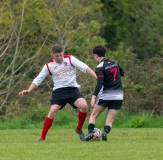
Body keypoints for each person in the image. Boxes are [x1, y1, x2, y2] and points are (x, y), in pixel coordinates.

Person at [19, 44, 97, 141]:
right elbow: (38, 79)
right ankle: (42, 138)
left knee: (84, 106)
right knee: (52, 112)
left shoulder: (70, 59)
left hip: (73, 89)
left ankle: (79, 129)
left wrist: (96, 77)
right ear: (52, 55)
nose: (60, 58)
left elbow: (84, 67)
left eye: (61, 55)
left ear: (63, 53)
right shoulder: (49, 66)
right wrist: (29, 90)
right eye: (57, 56)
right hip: (59, 92)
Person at [84, 45, 124, 141]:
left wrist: (94, 96)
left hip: (106, 96)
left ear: (96, 56)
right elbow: (122, 73)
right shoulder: (115, 62)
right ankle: (105, 133)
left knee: (93, 115)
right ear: (105, 54)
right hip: (118, 96)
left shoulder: (99, 67)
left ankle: (90, 133)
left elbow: (100, 82)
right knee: (109, 120)